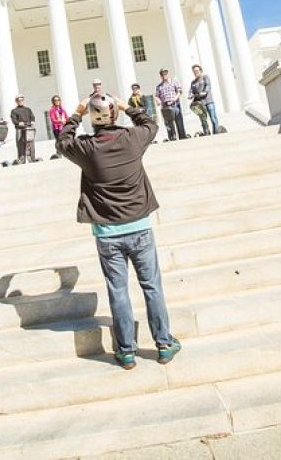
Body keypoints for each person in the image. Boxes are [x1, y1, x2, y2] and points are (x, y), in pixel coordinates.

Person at [56, 93, 181, 370]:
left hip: (107, 234)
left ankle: (126, 351)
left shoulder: (86, 148)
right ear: (115, 115)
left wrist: (76, 114)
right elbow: (151, 123)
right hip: (139, 228)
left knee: (119, 292)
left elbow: (62, 141)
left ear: (93, 117)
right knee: (152, 288)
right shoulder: (132, 139)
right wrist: (127, 106)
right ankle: (163, 343)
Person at [154, 68, 187, 141]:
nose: (164, 75)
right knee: (168, 124)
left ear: (168, 74)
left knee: (179, 122)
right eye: (162, 74)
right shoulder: (159, 86)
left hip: (175, 104)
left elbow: (179, 91)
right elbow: (156, 96)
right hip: (165, 106)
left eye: (165, 74)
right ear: (160, 76)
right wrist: (158, 100)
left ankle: (182, 137)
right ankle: (172, 138)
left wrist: (175, 98)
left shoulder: (174, 82)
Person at [188, 64, 219, 134]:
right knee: (203, 120)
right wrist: (190, 95)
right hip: (200, 104)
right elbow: (190, 91)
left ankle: (216, 132)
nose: (196, 72)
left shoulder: (205, 77)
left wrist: (204, 92)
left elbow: (208, 86)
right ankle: (207, 133)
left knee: (213, 118)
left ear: (200, 71)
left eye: (197, 70)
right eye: (194, 71)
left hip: (208, 101)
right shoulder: (193, 82)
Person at [10, 94, 36, 163]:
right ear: (16, 101)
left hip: (28, 128)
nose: (20, 101)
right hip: (20, 129)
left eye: (22, 100)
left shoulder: (28, 109)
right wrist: (18, 123)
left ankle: (32, 158)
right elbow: (14, 119)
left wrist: (32, 121)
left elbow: (32, 117)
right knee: (20, 144)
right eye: (19, 100)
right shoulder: (14, 110)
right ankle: (21, 160)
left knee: (31, 143)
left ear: (24, 101)